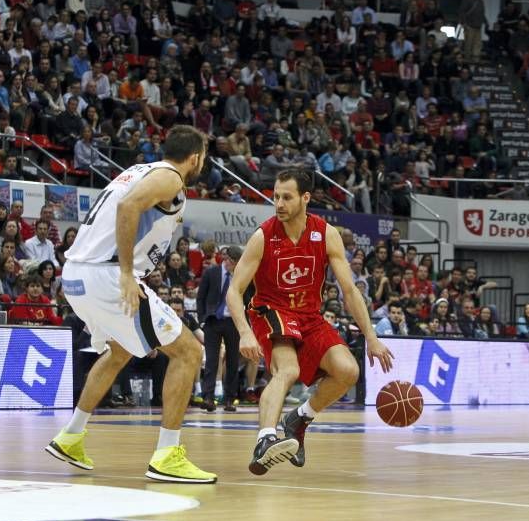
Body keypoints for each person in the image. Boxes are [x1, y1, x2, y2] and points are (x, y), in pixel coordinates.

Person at [46, 125, 216, 484]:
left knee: (119, 351)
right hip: (107, 275)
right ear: (195, 157)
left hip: (76, 275)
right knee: (189, 353)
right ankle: (167, 455)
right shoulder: (170, 178)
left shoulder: (136, 171)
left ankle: (71, 436)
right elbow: (128, 206)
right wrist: (125, 273)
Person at [227, 169, 393, 475]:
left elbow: (349, 290)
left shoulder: (326, 234)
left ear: (305, 198)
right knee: (287, 370)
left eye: (286, 197)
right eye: (275, 196)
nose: (278, 203)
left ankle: (300, 418)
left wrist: (371, 336)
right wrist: (244, 332)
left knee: (348, 371)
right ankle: (265, 438)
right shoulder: (263, 236)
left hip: (309, 317)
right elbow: (234, 291)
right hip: (272, 311)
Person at [196, 245, 244, 412]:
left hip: (233, 322)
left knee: (232, 361)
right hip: (213, 320)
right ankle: (208, 397)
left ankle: (230, 399)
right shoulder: (211, 272)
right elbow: (201, 296)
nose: (236, 266)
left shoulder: (241, 275)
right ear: (226, 259)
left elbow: (249, 297)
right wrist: (202, 319)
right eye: (234, 262)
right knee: (211, 360)